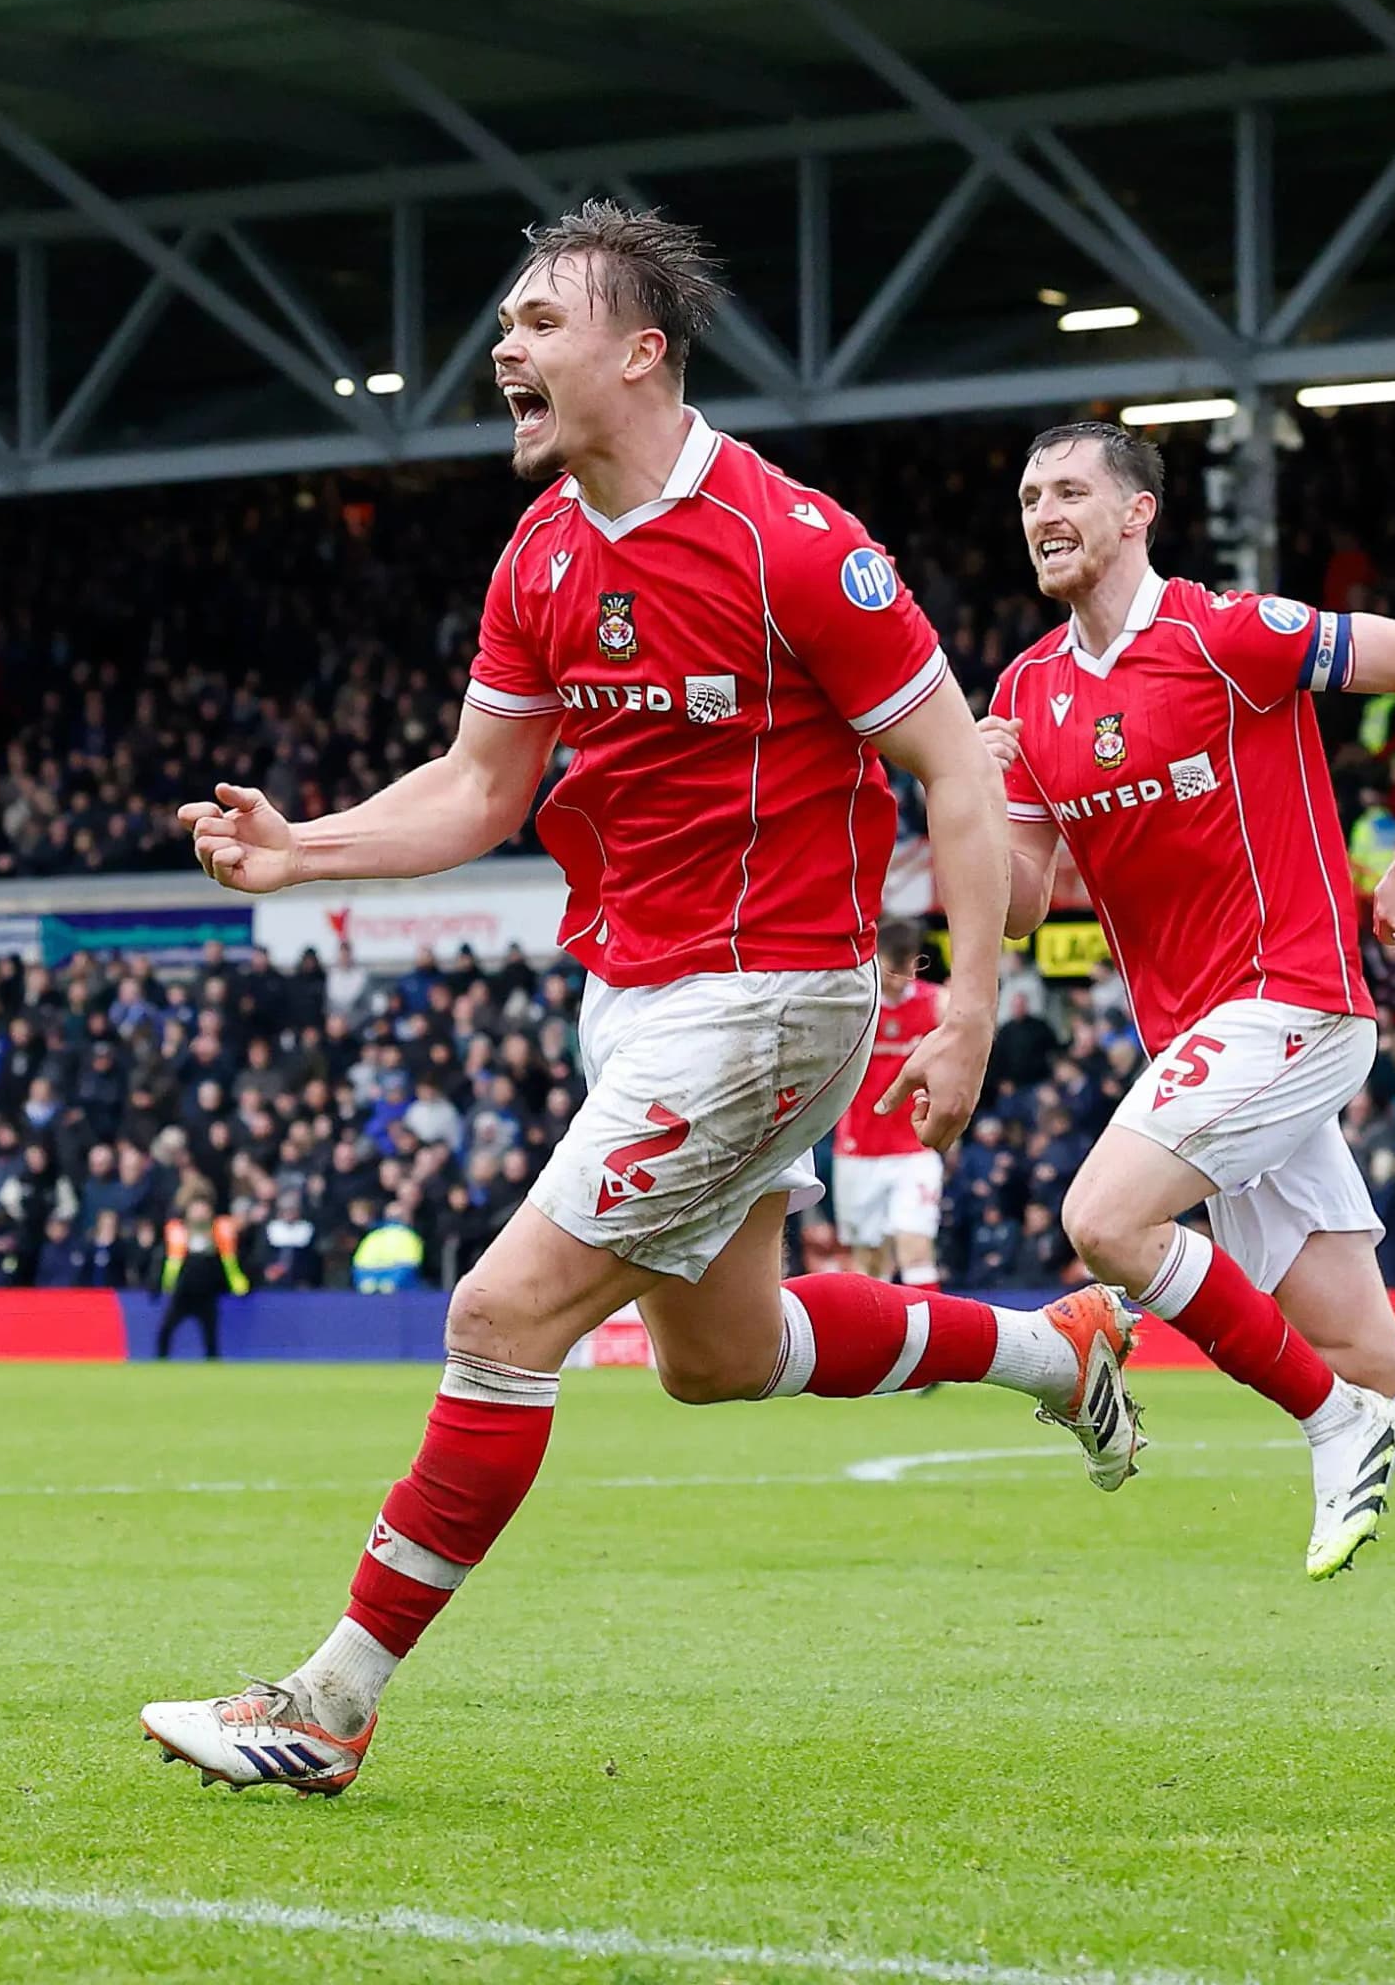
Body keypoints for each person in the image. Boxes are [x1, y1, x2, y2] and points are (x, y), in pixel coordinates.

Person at [140, 204, 1142, 1795]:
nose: (506, 350)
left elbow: (958, 770)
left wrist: (966, 1004)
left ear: (641, 353)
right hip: (634, 986)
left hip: (772, 997)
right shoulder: (542, 551)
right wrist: (300, 847)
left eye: (540, 324)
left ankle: (325, 1708)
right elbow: (480, 789)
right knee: (718, 1358)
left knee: (498, 1316)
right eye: (510, 326)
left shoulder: (792, 542)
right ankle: (1057, 1354)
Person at [984, 419, 1395, 1687]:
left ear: (1136, 514)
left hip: (1295, 1000)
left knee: (1104, 1218)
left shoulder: (1227, 633)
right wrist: (975, 777)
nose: (1042, 511)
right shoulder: (1025, 697)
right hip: (1210, 1044)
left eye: (1069, 490)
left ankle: (1334, 1434)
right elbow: (1017, 903)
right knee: (1367, 1348)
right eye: (1027, 496)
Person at [834, 917, 946, 1287]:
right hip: (858, 1150)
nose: (897, 978)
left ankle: (933, 1342)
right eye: (889, 968)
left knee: (916, 1249)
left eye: (904, 968)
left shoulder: (936, 1005)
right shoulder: (855, 1006)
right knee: (869, 1260)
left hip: (914, 1149)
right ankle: (877, 1341)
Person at [156, 1199, 242, 1358]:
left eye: (203, 1210)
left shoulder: (219, 1234)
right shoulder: (178, 1233)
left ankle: (212, 1365)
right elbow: (165, 1260)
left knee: (210, 1335)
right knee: (166, 1330)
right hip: (183, 1293)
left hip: (207, 1294)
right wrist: (159, 1284)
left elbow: (229, 1261)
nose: (200, 1214)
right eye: (196, 1210)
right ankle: (160, 1361)